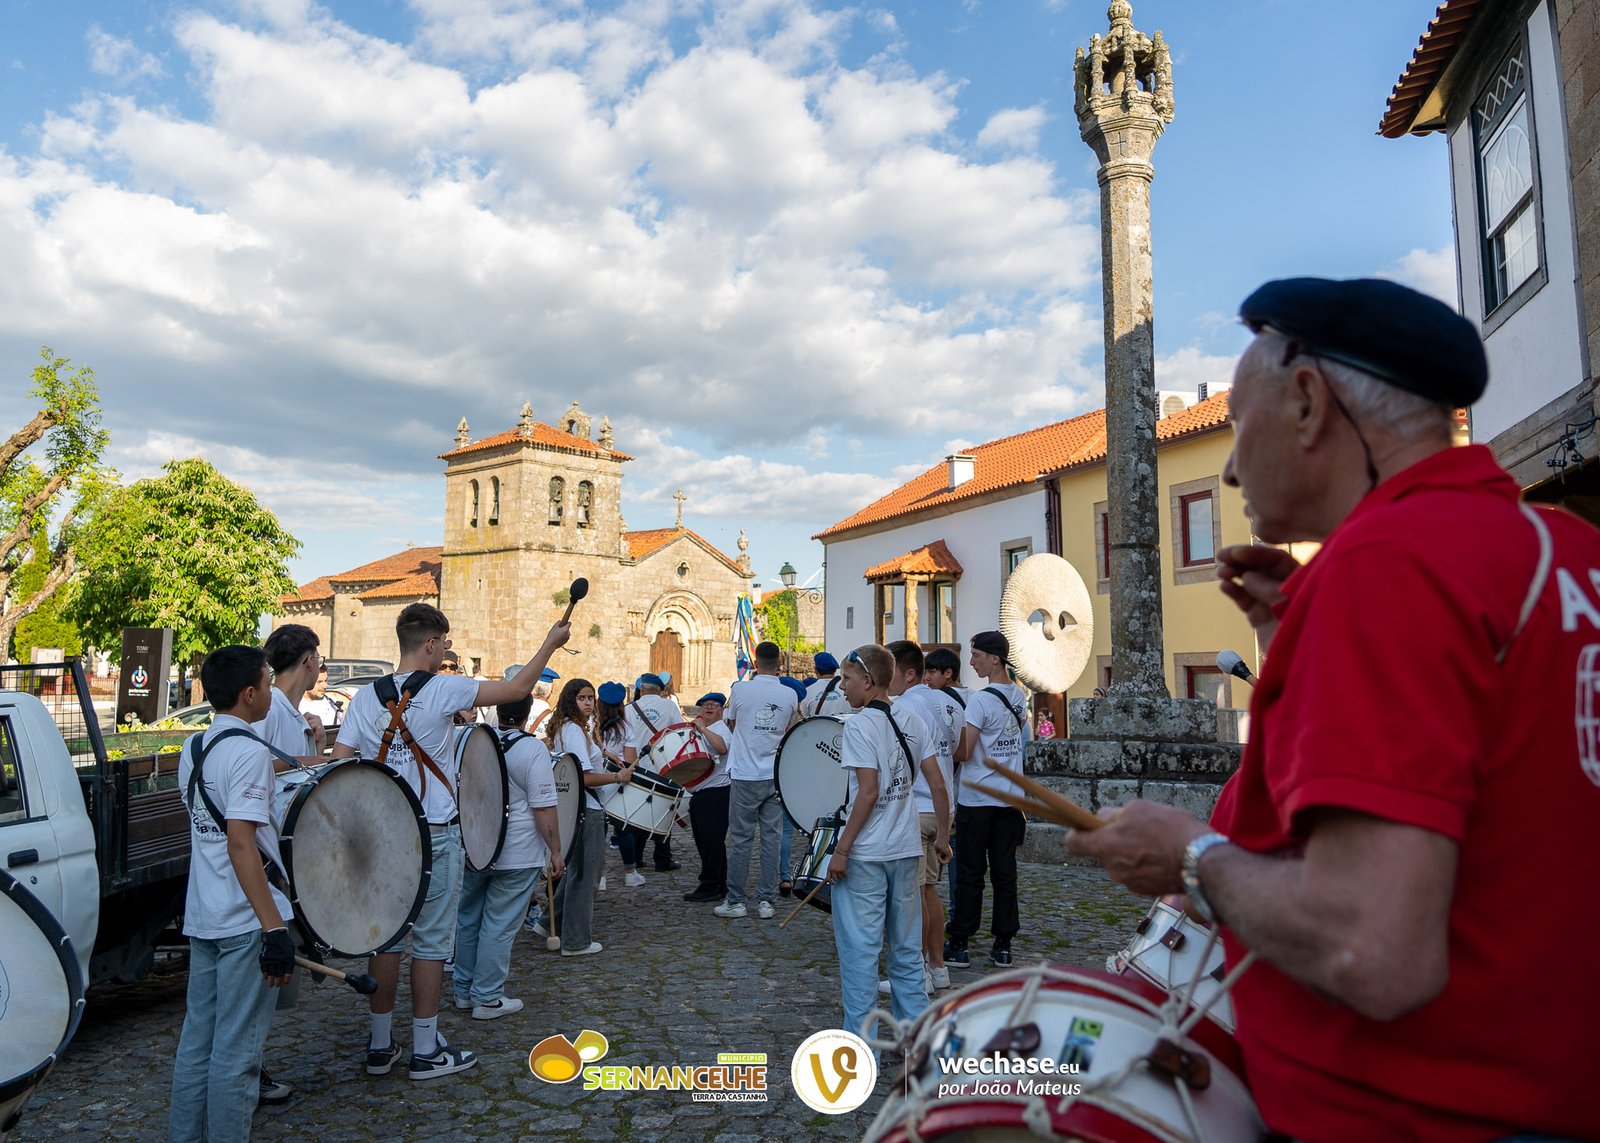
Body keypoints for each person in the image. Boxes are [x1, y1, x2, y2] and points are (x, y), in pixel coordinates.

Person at [1067, 277, 1600, 1141]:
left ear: (1309, 401)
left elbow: (1371, 947)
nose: (1231, 467)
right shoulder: (1571, 550)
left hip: (1422, 1116)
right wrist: (1299, 644)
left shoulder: (1387, 567)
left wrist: (1190, 857)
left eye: (1239, 420)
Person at [332, 603, 570, 1081]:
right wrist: (550, 643)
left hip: (383, 834)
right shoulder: (443, 688)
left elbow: (340, 762)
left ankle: (380, 1045)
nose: (445, 650)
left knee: (385, 939)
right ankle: (425, 1048)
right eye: (444, 643)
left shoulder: (363, 698)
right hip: (434, 832)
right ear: (430, 644)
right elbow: (516, 690)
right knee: (431, 944)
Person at [167, 646, 294, 1141]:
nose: (270, 692)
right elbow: (241, 843)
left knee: (197, 1043)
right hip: (245, 920)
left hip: (203, 913)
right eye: (266, 684)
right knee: (237, 1053)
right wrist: (274, 927)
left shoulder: (194, 747)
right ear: (248, 694)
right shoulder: (249, 753)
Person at [826, 645, 930, 1047]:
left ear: (867, 681)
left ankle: (861, 1046)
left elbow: (868, 792)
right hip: (905, 846)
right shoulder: (913, 719)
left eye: (847, 679)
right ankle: (916, 1042)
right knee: (907, 953)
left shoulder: (858, 726)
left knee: (860, 954)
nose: (842, 687)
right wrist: (941, 834)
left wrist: (842, 849)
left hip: (867, 852)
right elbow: (932, 782)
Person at [452, 694, 564, 1020]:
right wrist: (556, 851)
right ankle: (487, 997)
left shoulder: (470, 739)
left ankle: (464, 990)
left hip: (475, 843)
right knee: (499, 925)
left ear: (498, 710)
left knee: (468, 919)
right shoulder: (532, 749)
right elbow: (543, 807)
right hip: (517, 851)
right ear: (528, 715)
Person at [944, 630, 1029, 969]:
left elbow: (966, 751)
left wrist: (942, 748)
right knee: (1005, 873)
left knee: (970, 871)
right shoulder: (1019, 696)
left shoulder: (980, 701)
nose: (972, 662)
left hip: (978, 797)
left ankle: (960, 941)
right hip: (1010, 799)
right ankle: (1003, 944)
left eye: (977, 655)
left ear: (995, 659)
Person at [539, 678, 634, 955]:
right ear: (571, 700)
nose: (588, 703)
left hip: (578, 806)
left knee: (577, 871)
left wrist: (606, 754)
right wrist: (618, 776)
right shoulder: (572, 730)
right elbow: (582, 776)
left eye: (591, 698)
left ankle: (547, 923)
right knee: (586, 875)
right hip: (585, 808)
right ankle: (576, 941)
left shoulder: (574, 728)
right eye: (582, 698)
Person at [885, 640, 956, 991]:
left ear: (909, 674)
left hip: (916, 807)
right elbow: (959, 751)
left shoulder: (902, 708)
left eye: (889, 671)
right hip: (942, 807)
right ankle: (938, 968)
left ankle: (917, 974)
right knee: (929, 891)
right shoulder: (949, 702)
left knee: (912, 896)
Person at [716, 641, 800, 920]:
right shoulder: (789, 694)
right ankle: (766, 901)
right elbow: (788, 728)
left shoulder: (740, 689)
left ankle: (736, 901)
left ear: (755, 661)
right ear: (779, 662)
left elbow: (731, 721)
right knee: (771, 839)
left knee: (741, 839)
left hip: (744, 774)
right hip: (773, 774)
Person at [923, 646, 969, 906]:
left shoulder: (938, 700)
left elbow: (962, 752)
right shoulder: (974, 697)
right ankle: (956, 906)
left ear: (948, 673)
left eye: (932, 672)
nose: (927, 678)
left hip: (944, 790)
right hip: (958, 790)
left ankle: (953, 908)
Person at [624, 673, 683, 871]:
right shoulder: (670, 706)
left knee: (637, 811)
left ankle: (637, 856)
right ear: (660, 690)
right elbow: (678, 732)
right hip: (662, 764)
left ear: (641, 689)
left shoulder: (629, 709)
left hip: (637, 764)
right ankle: (662, 858)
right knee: (664, 811)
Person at [595, 682, 647, 886]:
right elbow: (630, 761)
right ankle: (630, 873)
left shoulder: (590, 724)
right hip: (616, 782)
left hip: (594, 780)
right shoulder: (625, 728)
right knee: (623, 828)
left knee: (598, 830)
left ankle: (600, 876)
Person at [683, 692, 731, 902]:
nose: (709, 707)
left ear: (722, 710)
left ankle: (710, 885)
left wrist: (702, 728)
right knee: (708, 842)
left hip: (715, 793)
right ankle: (720, 884)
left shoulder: (720, 729)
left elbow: (722, 748)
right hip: (703, 793)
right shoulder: (704, 729)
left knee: (711, 842)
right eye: (705, 705)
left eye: (714, 705)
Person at [802, 651, 851, 718]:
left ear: (815, 670)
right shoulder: (848, 687)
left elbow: (805, 717)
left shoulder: (807, 692)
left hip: (819, 725)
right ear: (834, 670)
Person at [298, 661, 339, 731]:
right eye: (319, 682)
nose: (324, 686)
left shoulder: (332, 703)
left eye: (325, 681)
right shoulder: (296, 705)